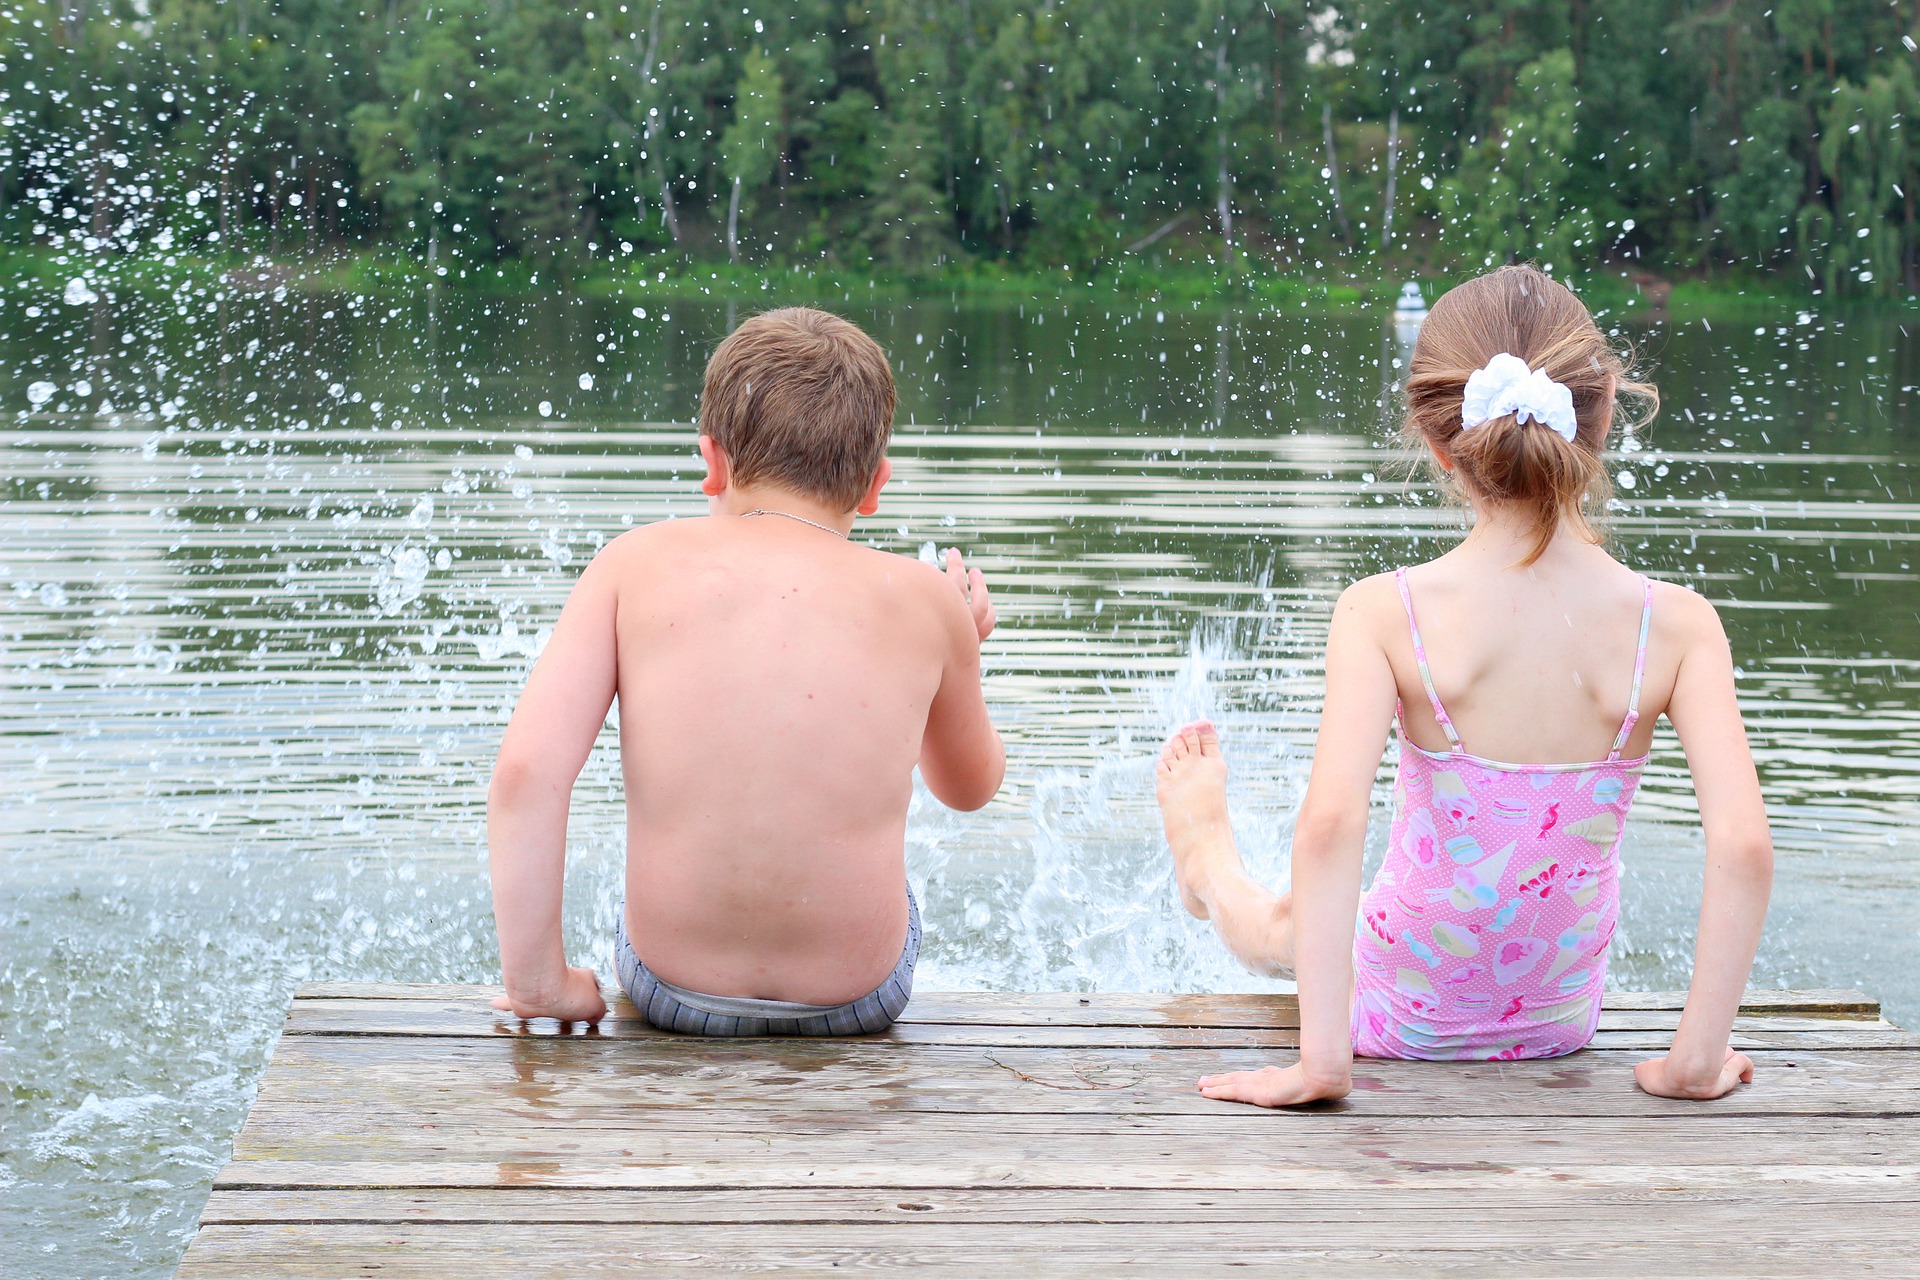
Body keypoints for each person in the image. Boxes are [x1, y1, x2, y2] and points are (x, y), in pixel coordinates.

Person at [1154, 265, 1774, 1106]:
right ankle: (1215, 866)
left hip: (1398, 1013)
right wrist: (1694, 1062)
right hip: (1556, 1018)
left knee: (1287, 926)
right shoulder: (1677, 626)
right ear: (1605, 413)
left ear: (1436, 440)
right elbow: (1743, 846)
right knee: (1334, 912)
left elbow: (1334, 822)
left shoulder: (1384, 613)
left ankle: (1206, 861)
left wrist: (1322, 1064)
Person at [487, 306, 1004, 1035]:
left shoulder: (631, 565)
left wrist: (540, 980)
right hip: (857, 1000)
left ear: (713, 460)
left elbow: (524, 774)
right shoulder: (921, 596)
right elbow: (969, 788)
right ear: (875, 484)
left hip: (673, 991)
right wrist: (959, 645)